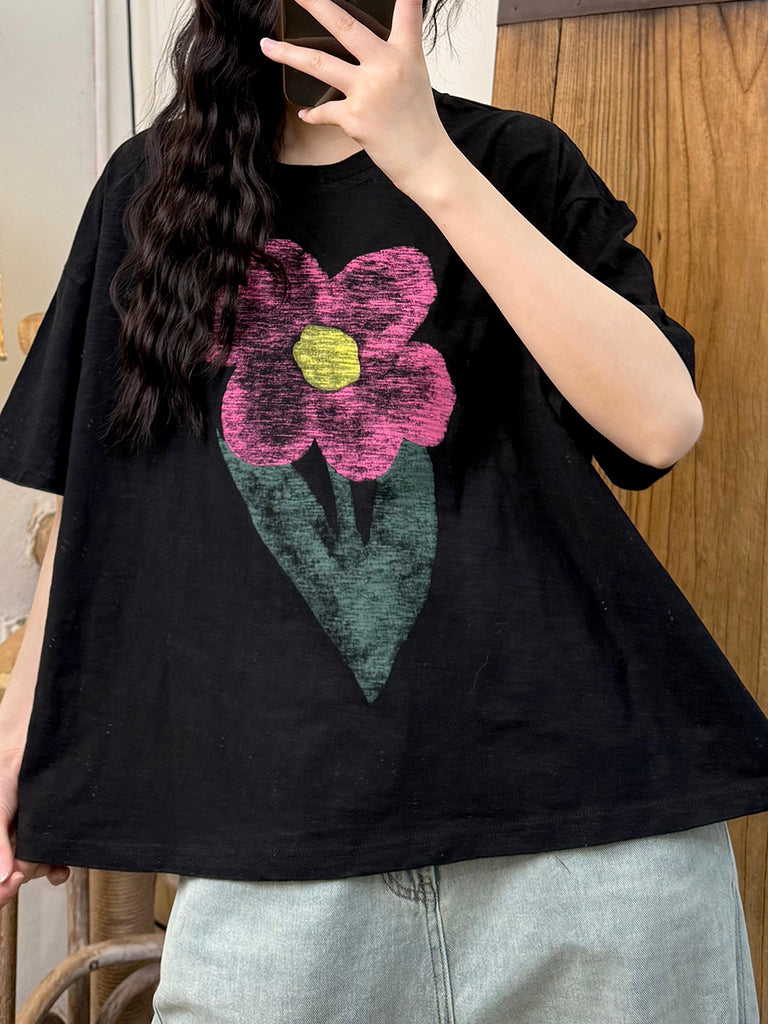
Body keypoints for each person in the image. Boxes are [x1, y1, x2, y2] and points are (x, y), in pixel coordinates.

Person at [1, 0, 767, 1020]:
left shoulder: (514, 161)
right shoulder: (151, 195)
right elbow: (103, 499)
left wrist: (427, 161)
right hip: (279, 851)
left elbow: (661, 425)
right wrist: (19, 736)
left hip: (590, 842)